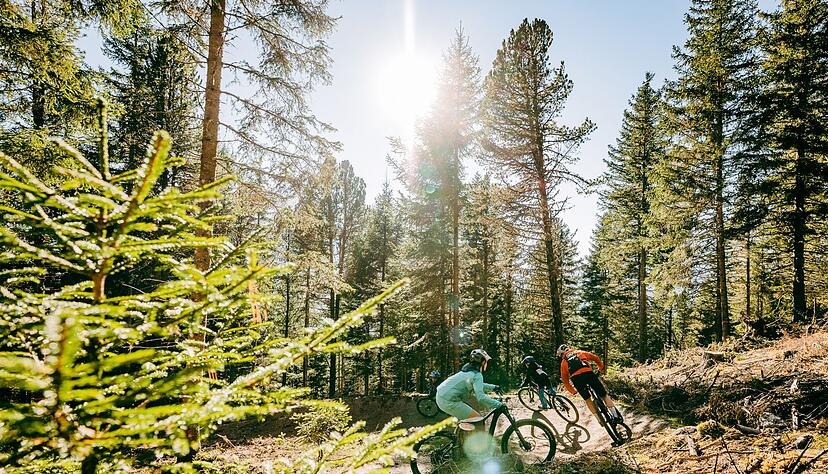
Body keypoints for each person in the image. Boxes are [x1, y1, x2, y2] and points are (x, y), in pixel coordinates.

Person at [558, 344, 623, 425]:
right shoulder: (579, 352)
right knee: (604, 395)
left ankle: (599, 419)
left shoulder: (563, 363)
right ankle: (615, 416)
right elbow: (595, 357)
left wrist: (572, 391)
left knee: (587, 399)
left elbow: (565, 379)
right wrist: (601, 367)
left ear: (562, 354)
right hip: (588, 373)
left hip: (577, 379)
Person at [436, 349, 503, 424]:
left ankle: (460, 434)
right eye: (486, 361)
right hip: (448, 401)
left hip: (441, 396)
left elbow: (477, 385)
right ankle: (467, 435)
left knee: (470, 420)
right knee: (478, 420)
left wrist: (493, 387)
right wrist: (499, 405)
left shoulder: (469, 371)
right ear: (483, 362)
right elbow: (481, 398)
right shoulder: (477, 375)